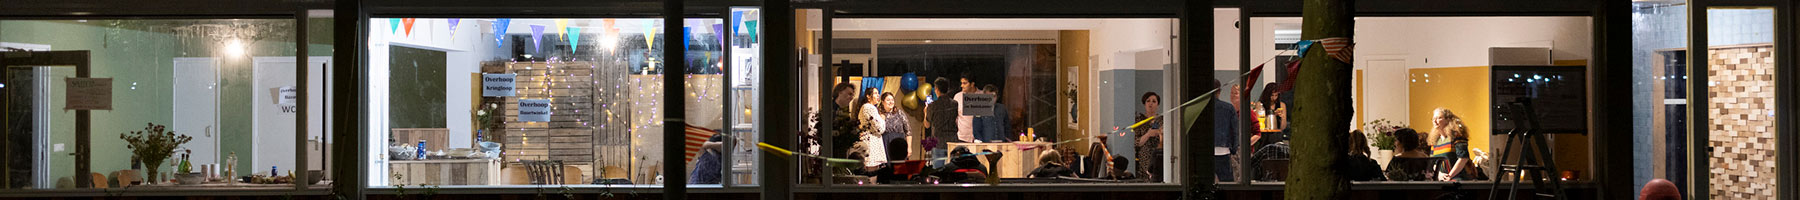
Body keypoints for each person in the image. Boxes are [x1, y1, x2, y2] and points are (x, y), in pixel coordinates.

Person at [1430, 108, 1481, 181]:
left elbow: (1463, 158)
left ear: (1448, 120)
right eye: (1433, 118)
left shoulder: (1457, 136)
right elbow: (1433, 162)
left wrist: (1449, 176)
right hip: (1442, 180)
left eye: (1439, 118)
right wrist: (1439, 174)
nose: (1435, 121)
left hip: (1459, 179)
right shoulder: (1435, 140)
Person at [924, 78, 961, 167]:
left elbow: (927, 125)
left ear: (936, 89)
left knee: (938, 172)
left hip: (938, 142)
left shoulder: (932, 106)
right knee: (953, 170)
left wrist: (925, 112)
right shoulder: (955, 104)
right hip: (953, 141)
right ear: (948, 89)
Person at [1211, 80, 1239, 182]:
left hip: (1204, 152)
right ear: (1219, 91)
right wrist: (1234, 149)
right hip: (1223, 150)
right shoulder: (1228, 108)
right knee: (1227, 184)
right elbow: (1235, 131)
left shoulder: (1200, 108)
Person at [1132, 92, 1164, 180]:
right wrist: (1148, 134)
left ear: (1157, 104)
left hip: (1159, 155)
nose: (1151, 104)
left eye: (1154, 101)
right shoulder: (1139, 120)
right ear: (1144, 104)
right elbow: (1136, 142)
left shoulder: (1162, 120)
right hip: (1144, 157)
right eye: (1148, 101)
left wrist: (1161, 133)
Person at [857, 87, 889, 169]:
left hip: (870, 140)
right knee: (872, 171)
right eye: (875, 93)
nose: (878, 95)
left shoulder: (867, 107)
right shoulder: (869, 107)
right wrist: (882, 119)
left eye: (878, 93)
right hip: (871, 142)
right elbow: (879, 128)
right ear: (868, 96)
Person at [879, 93, 911, 160]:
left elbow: (908, 131)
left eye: (892, 100)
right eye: (888, 100)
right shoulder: (879, 114)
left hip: (900, 143)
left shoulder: (899, 113)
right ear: (882, 102)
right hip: (886, 143)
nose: (891, 102)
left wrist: (909, 147)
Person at [955, 73, 977, 143]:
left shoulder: (982, 95)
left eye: (965, 83)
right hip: (962, 137)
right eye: (961, 83)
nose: (962, 86)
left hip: (979, 138)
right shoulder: (958, 97)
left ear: (972, 84)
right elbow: (955, 117)